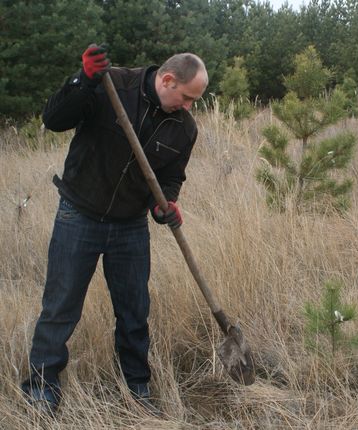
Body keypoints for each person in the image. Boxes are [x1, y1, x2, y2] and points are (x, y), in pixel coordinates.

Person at [21, 44, 208, 415]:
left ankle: (137, 386)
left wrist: (164, 205)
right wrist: (82, 80)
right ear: (168, 80)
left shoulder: (184, 128)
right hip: (80, 214)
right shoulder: (112, 86)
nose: (188, 106)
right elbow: (55, 119)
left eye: (194, 101)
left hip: (130, 226)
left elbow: (171, 178)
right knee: (61, 306)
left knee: (134, 310)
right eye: (187, 97)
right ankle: (43, 387)